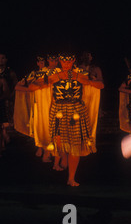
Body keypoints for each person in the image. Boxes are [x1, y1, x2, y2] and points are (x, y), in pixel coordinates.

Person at [31, 52, 104, 185]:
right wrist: (53, 79)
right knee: (59, 143)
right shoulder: (53, 73)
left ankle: (71, 178)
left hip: (76, 110)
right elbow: (32, 86)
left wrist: (84, 80)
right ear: (60, 60)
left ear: (73, 60)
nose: (66, 64)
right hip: (58, 111)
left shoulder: (80, 72)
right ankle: (60, 162)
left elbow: (100, 85)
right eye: (64, 62)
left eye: (69, 62)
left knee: (75, 145)